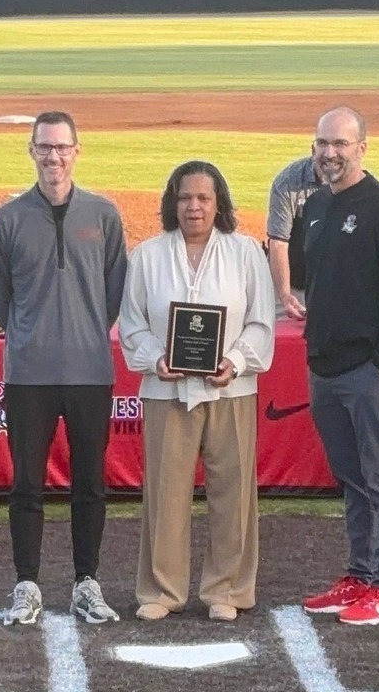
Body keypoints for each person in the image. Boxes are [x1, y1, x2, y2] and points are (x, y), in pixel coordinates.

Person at [0, 110, 127, 627]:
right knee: (27, 483)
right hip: (28, 374)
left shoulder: (104, 216)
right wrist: (36, 334)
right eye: (44, 147)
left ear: (77, 151)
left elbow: (114, 295)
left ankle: (87, 583)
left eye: (62, 147)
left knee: (90, 482)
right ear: (31, 151)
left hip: (90, 370)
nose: (53, 156)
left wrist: (81, 332)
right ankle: (27, 583)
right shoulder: (7, 219)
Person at [118, 160, 275, 623]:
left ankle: (227, 589)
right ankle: (162, 591)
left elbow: (261, 321)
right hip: (167, 391)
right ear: (172, 203)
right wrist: (154, 358)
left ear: (219, 204)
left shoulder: (247, 252)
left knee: (233, 490)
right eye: (185, 197)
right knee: (165, 492)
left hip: (232, 390)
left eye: (204, 198)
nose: (194, 206)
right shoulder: (147, 255)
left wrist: (237, 361)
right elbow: (132, 322)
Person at [299, 106, 379, 626]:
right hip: (325, 368)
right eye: (323, 143)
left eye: (340, 144)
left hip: (369, 371)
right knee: (351, 479)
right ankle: (360, 574)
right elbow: (311, 282)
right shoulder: (318, 206)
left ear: (361, 148)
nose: (330, 153)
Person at [266, 148, 327, 318]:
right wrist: (285, 296)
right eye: (323, 146)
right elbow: (278, 243)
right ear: (314, 150)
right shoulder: (288, 182)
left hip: (334, 287)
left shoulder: (353, 183)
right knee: (279, 336)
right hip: (292, 282)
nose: (329, 155)